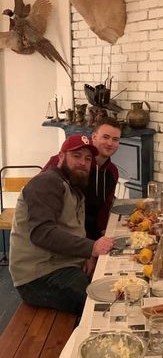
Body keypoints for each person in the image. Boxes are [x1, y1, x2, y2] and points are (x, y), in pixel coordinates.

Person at [9, 135, 115, 315]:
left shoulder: (70, 186)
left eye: (88, 159)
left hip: (60, 265)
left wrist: (87, 254)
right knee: (99, 304)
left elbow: (70, 229)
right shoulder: (47, 182)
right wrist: (91, 247)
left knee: (110, 280)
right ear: (61, 157)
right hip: (38, 277)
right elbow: (43, 233)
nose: (83, 162)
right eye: (76, 156)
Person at [43, 117, 121, 240]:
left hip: (93, 234)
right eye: (105, 137)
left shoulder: (112, 172)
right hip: (64, 236)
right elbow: (39, 191)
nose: (110, 143)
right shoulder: (65, 162)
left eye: (115, 139)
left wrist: (104, 233)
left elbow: (105, 207)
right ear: (94, 137)